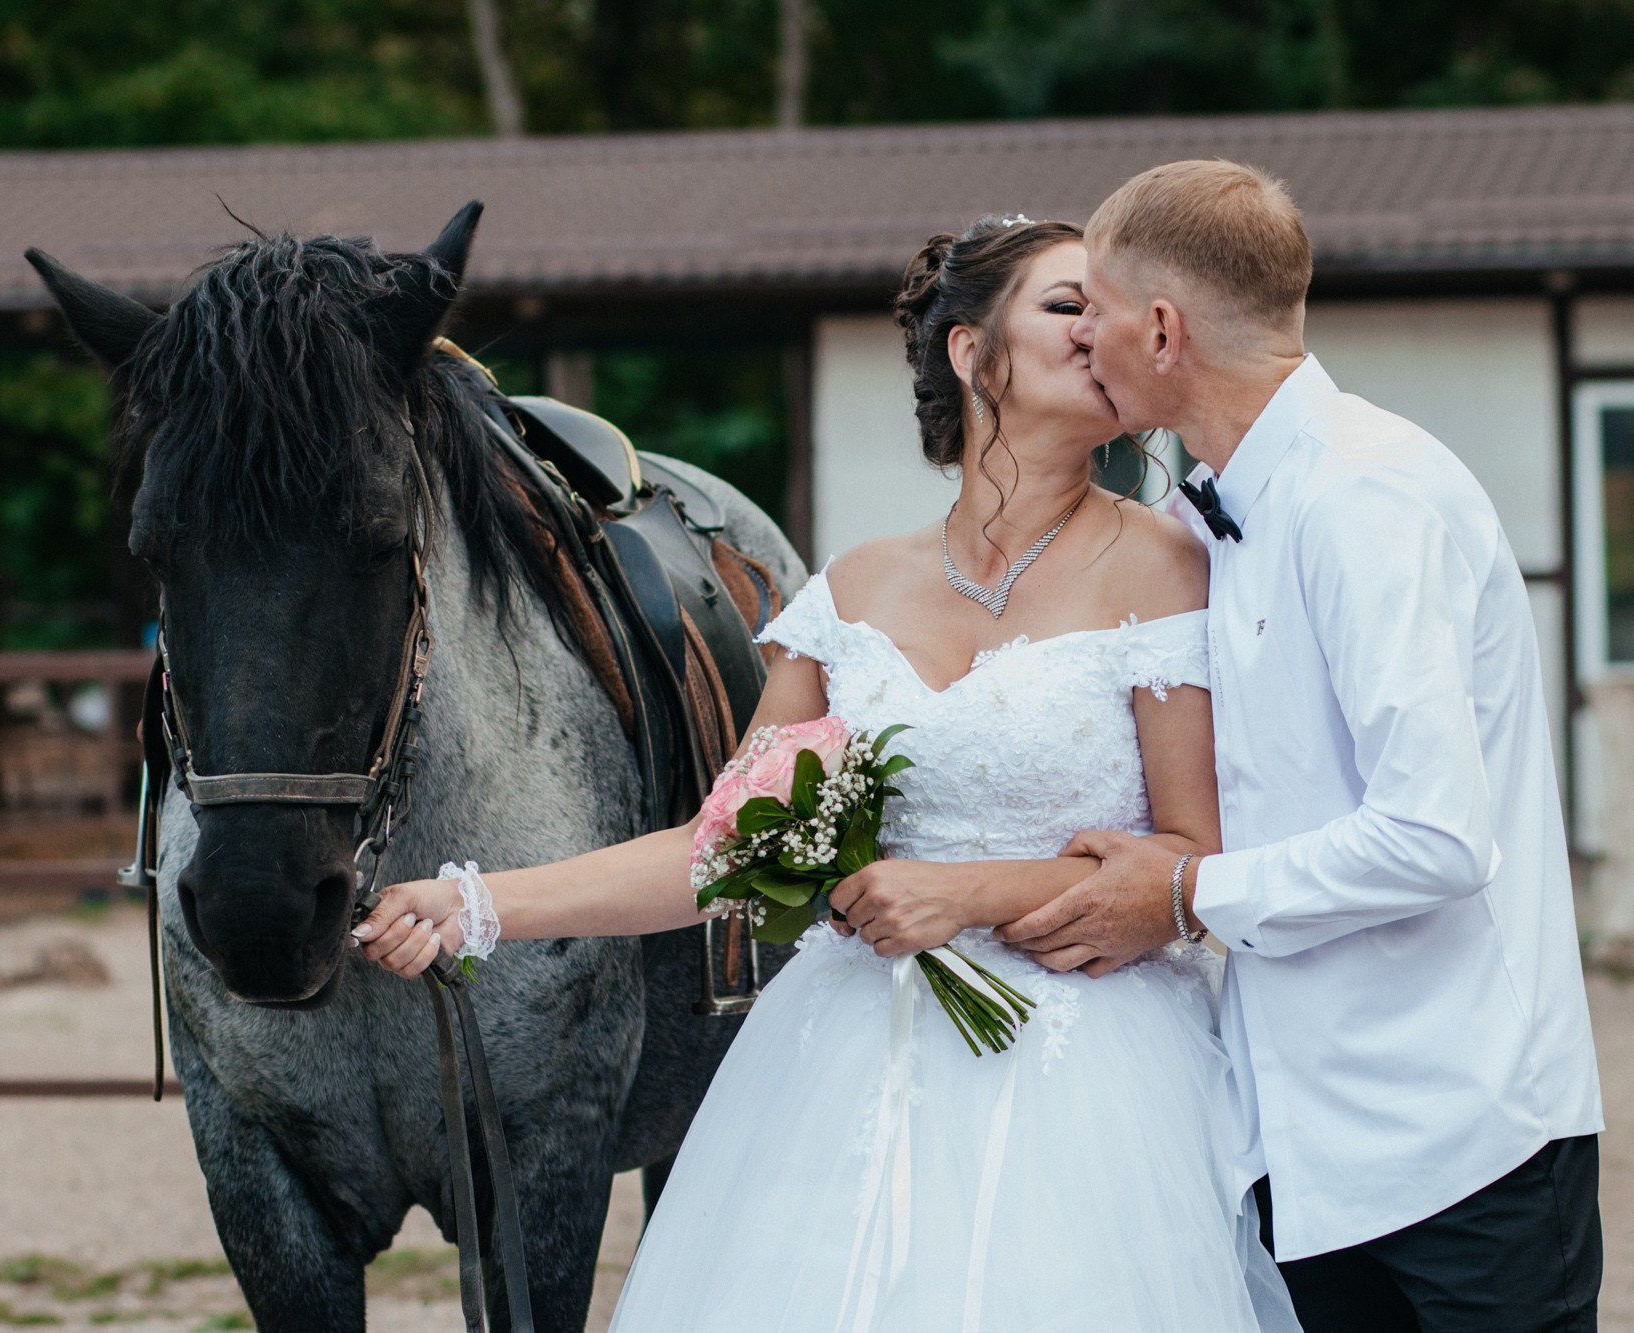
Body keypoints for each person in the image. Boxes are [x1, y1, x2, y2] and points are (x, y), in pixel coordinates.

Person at [353, 215, 1298, 1331]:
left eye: (1109, 308)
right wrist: (474, 903)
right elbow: (724, 846)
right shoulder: (854, 589)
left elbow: (1193, 859)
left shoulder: (1170, 564)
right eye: (1066, 306)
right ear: (971, 352)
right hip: (851, 1058)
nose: (1103, 329)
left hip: (1093, 1072)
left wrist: (963, 894)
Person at [996, 160, 1605, 1332]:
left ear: (1160, 331)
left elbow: (1433, 835)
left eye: (1095, 311)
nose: (1081, 340)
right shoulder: (1206, 516)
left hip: (1461, 1133)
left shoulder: (1365, 497)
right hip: (1297, 1141)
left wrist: (1183, 895)